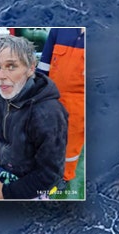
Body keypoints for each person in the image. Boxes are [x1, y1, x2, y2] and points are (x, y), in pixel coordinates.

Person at [0, 35, 68, 199]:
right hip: (3, 168)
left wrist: (7, 193)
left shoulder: (49, 114)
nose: (1, 76)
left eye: (11, 66)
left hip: (28, 184)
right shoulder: (2, 96)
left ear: (31, 68)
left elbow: (50, 175)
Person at [37, 28, 85, 190]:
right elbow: (44, 64)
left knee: (72, 142)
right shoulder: (59, 29)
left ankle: (65, 175)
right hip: (52, 97)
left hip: (80, 104)